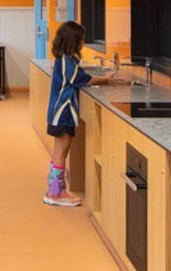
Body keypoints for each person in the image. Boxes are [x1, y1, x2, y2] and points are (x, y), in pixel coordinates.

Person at [43, 21, 118, 207]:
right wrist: (106, 80)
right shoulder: (67, 62)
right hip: (63, 112)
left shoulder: (65, 60)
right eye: (82, 39)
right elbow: (84, 79)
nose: (84, 42)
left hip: (58, 112)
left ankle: (54, 191)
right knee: (62, 149)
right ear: (74, 41)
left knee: (59, 150)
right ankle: (56, 194)